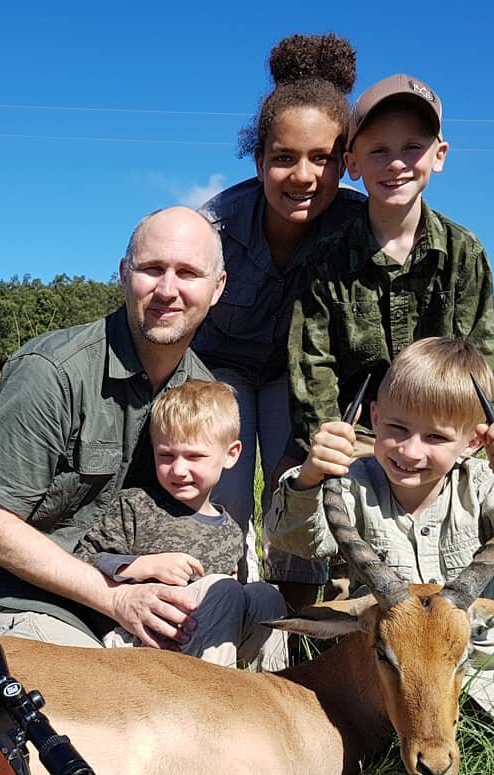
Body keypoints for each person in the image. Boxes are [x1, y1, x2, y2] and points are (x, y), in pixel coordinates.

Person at [266, 338, 494, 775]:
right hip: (386, 667)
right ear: (374, 418)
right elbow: (294, 540)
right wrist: (309, 476)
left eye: (435, 436)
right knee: (336, 757)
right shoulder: (352, 485)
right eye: (397, 429)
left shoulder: (484, 485)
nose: (411, 451)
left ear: (474, 441)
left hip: (486, 660)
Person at [0, 206, 246, 653]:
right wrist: (116, 598)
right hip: (22, 597)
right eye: (151, 269)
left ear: (217, 287)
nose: (168, 289)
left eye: (188, 273)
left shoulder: (200, 394)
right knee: (103, 702)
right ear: (124, 273)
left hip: (129, 597)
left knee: (255, 618)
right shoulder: (52, 372)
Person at [194, 32, 365, 608]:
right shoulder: (215, 225)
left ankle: (293, 621)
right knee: (226, 487)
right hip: (223, 369)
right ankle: (219, 607)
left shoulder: (361, 227)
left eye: (323, 158)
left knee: (298, 475)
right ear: (259, 159)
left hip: (303, 377)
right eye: (284, 158)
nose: (303, 175)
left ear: (347, 162)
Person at [286, 72, 494, 465]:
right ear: (352, 163)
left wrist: (469, 447)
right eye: (379, 151)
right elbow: (313, 372)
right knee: (293, 505)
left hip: (443, 440)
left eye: (412, 147)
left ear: (439, 155)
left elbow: (482, 367)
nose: (397, 164)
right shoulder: (324, 262)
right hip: (357, 442)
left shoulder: (464, 254)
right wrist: (327, 450)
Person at [72, 380, 286, 667]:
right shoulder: (135, 505)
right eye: (166, 456)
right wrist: (138, 566)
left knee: (265, 597)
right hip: (135, 638)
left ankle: (272, 693)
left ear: (231, 454)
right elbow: (81, 559)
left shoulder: (231, 532)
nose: (179, 469)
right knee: (222, 589)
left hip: (200, 640)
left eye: (195, 456)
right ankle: (211, 698)